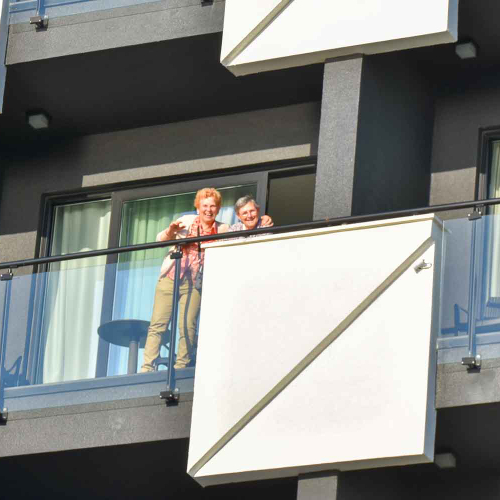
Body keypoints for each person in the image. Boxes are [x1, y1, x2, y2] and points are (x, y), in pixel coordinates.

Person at [141, 187, 229, 372]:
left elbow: (241, 237)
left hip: (194, 283)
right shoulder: (187, 221)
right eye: (205, 205)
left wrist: (263, 222)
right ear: (198, 207)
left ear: (218, 208)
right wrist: (171, 231)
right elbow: (160, 239)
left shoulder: (223, 229)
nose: (208, 210)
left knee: (187, 325)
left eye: (213, 206)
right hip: (171, 277)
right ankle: (147, 368)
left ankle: (181, 367)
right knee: (158, 324)